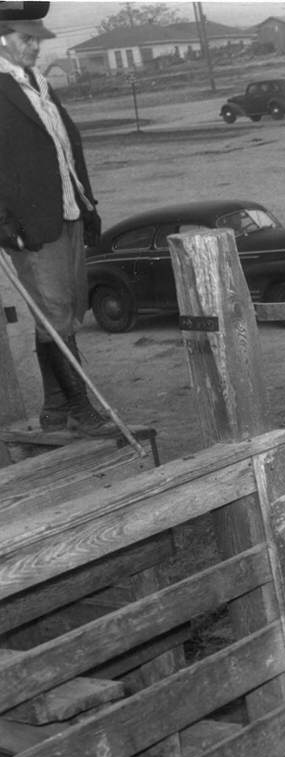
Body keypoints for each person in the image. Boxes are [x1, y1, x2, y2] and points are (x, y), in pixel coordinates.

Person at [0, 6, 116, 436]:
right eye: (25, 38)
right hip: (30, 226)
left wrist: (87, 207)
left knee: (64, 313)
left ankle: (54, 410)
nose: (35, 45)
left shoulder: (39, 84)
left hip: (67, 213)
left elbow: (67, 149)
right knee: (55, 315)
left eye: (37, 38)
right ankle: (82, 410)